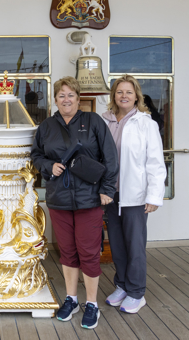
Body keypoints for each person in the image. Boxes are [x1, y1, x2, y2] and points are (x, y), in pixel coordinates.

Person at [31, 76, 118, 329]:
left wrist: (107, 190)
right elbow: (36, 155)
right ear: (55, 100)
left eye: (71, 95)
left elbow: (110, 158)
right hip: (59, 198)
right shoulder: (46, 126)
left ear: (78, 99)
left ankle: (92, 303)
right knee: (67, 251)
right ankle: (71, 298)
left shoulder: (93, 122)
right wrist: (49, 165)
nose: (66, 99)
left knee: (89, 252)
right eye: (61, 95)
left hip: (90, 198)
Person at [102, 75, 166, 313]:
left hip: (136, 196)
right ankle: (122, 285)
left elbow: (156, 162)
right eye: (120, 92)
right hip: (112, 195)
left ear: (136, 96)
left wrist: (153, 196)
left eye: (129, 92)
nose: (124, 96)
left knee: (135, 245)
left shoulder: (146, 123)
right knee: (117, 244)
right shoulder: (106, 121)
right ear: (114, 96)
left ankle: (137, 292)